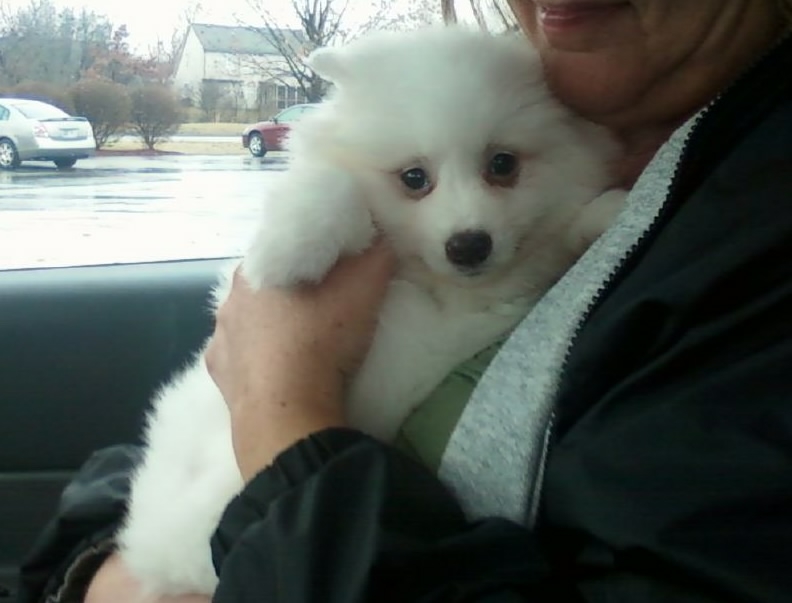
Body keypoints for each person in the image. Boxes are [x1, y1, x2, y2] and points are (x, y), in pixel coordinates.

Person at [17, 1, 792, 601]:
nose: (465, 220)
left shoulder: (751, 249)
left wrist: (284, 412)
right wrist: (98, 572)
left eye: (499, 167)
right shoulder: (518, 111)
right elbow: (194, 415)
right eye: (415, 180)